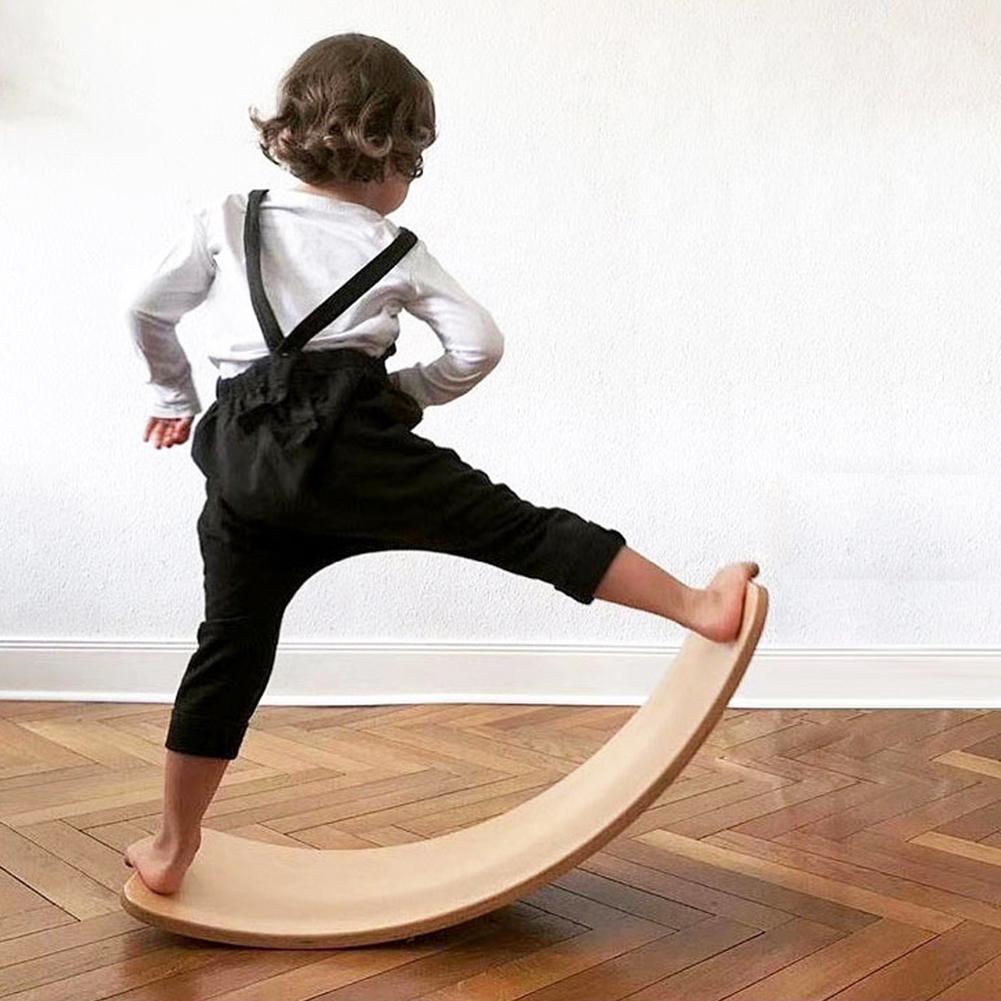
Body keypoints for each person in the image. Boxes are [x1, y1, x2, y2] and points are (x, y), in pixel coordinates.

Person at [122, 32, 759, 894]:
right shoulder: (395, 245)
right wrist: (403, 394)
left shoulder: (228, 218)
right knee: (518, 530)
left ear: (290, 136)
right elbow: (478, 345)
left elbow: (147, 311)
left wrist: (172, 396)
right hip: (360, 450)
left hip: (245, 461)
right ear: (392, 156)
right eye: (413, 166)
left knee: (229, 648)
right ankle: (696, 604)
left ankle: (172, 845)